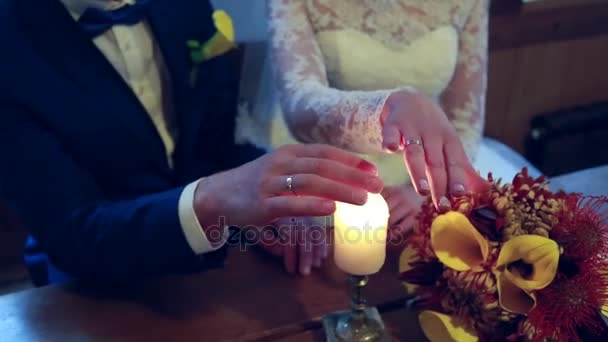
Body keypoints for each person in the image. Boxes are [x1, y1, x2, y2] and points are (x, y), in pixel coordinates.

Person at [0, 0, 384, 285]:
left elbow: (214, 141)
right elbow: (73, 232)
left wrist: (275, 195)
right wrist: (211, 202)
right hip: (90, 278)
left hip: (210, 258)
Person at [236, 0, 490, 235]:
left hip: (421, 182)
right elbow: (299, 101)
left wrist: (424, 194)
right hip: (319, 176)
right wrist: (386, 110)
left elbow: (465, 119)